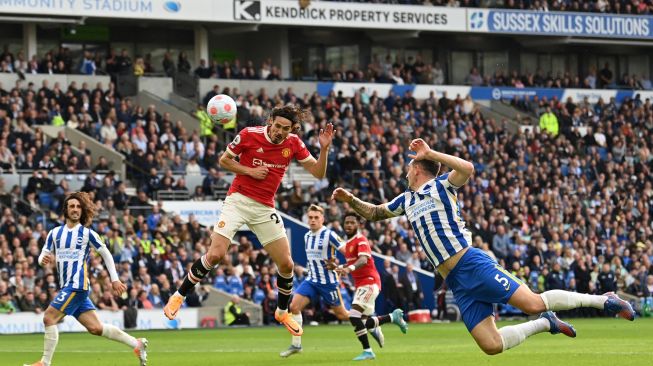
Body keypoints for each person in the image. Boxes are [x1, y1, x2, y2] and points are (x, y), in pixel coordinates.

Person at [332, 138, 634, 356]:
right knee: (491, 346)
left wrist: (431, 152)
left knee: (531, 302)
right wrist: (350, 201)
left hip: (471, 263)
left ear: (420, 169)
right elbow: (373, 212)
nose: (406, 170)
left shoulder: (440, 186)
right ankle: (546, 324)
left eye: (411, 165)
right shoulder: (404, 200)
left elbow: (467, 168)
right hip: (456, 281)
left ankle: (602, 300)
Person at [164, 105, 334, 338]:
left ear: (292, 129)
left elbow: (318, 173)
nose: (279, 132)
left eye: (285, 129)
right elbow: (224, 160)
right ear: (270, 121)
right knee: (215, 254)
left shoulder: (293, 143)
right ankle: (179, 295)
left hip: (265, 208)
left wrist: (324, 150)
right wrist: (249, 171)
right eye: (277, 126)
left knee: (287, 265)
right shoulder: (248, 135)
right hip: (238, 200)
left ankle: (282, 312)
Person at [24, 192, 147, 366]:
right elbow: (43, 254)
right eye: (72, 206)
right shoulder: (54, 233)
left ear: (82, 211)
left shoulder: (87, 234)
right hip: (67, 286)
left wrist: (114, 279)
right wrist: (42, 259)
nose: (75, 209)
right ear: (66, 210)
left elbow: (106, 254)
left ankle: (44, 363)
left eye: (78, 207)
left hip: (78, 285)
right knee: (96, 328)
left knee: (48, 318)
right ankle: (137, 344)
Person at [333, 211, 407, 361]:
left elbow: (363, 260)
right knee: (363, 322)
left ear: (358, 225)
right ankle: (392, 318)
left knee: (353, 316)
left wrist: (349, 269)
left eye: (352, 222)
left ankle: (368, 350)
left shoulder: (361, 240)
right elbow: (351, 262)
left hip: (369, 282)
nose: (348, 225)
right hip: (362, 285)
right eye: (346, 222)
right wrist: (337, 266)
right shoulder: (348, 245)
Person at [279, 204, 349, 358]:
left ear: (322, 219)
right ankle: (296, 345)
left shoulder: (329, 235)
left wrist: (340, 267)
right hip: (311, 280)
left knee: (342, 315)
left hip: (328, 282)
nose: (312, 220)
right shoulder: (307, 236)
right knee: (294, 306)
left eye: (316, 218)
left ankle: (371, 323)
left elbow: (348, 252)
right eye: (310, 217)